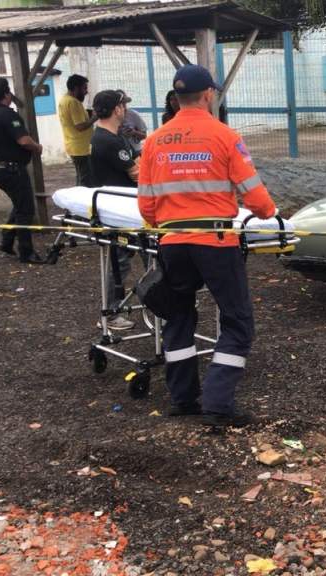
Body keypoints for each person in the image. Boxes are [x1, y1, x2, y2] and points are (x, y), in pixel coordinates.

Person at [138, 64, 277, 426]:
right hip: (215, 242)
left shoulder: (154, 142)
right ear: (208, 95)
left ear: (176, 97)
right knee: (237, 320)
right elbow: (258, 201)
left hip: (172, 242)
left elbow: (146, 206)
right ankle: (218, 403)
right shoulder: (224, 137)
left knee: (178, 315)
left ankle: (183, 399)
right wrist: (268, 211)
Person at [90, 89, 141, 332]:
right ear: (116, 109)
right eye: (123, 106)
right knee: (120, 260)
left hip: (124, 205)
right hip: (119, 207)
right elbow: (136, 172)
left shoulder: (110, 136)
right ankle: (111, 311)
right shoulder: (107, 140)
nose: (126, 110)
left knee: (140, 255)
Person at [0, 77, 46, 264]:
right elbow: (23, 140)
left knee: (19, 204)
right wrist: (37, 147)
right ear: (6, 94)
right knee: (26, 209)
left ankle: (7, 240)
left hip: (0, 169)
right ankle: (26, 252)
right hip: (13, 170)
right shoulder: (9, 115)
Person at [58, 74, 97, 186]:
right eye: (84, 88)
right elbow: (80, 126)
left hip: (74, 146)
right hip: (81, 148)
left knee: (81, 177)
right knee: (85, 181)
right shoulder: (73, 102)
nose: (86, 91)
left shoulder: (64, 100)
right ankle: (83, 202)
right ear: (76, 88)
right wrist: (96, 116)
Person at [116, 90, 147, 156]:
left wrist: (134, 132)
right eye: (119, 103)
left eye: (124, 102)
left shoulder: (133, 114)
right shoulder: (111, 117)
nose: (122, 105)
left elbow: (144, 135)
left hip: (135, 151)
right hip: (119, 152)